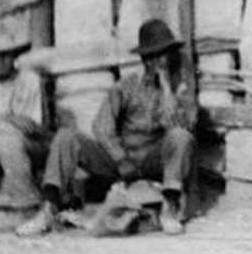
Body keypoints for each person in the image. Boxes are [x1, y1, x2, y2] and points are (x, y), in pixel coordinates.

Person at [17, 19, 194, 236]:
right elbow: (101, 127)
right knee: (66, 137)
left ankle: (170, 207)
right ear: (144, 59)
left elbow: (184, 127)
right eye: (154, 56)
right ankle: (48, 209)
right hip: (122, 161)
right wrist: (121, 159)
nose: (161, 61)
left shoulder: (181, 87)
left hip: (155, 162)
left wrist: (166, 88)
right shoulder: (127, 86)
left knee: (180, 136)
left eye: (165, 55)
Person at [0, 35, 47, 211]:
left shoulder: (29, 80)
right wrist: (6, 118)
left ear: (13, 57)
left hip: (31, 144)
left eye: (5, 56)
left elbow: (31, 126)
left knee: (8, 138)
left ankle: (26, 202)